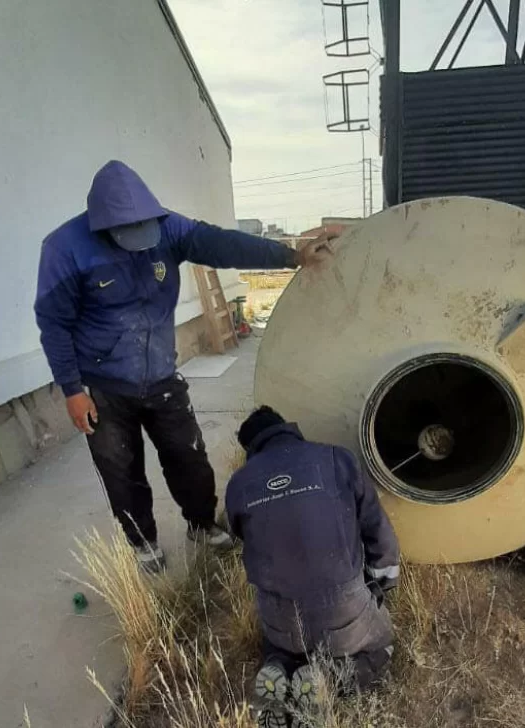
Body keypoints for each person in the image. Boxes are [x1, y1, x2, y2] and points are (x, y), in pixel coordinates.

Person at [34, 161, 333, 573]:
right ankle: (143, 542)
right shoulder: (64, 249)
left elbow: (223, 244)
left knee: (189, 458)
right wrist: (71, 389)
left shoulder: (168, 228)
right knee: (121, 471)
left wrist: (290, 255)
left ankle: (201, 524)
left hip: (160, 375)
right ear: (102, 227)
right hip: (103, 385)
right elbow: (53, 323)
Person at [226, 406, 400, 727]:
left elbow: (240, 536)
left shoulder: (239, 483)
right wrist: (381, 583)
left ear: (250, 448)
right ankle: (328, 678)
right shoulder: (338, 459)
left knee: (284, 644)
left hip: (279, 616)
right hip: (342, 610)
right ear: (289, 428)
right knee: (381, 646)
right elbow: (377, 530)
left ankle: (280, 666)